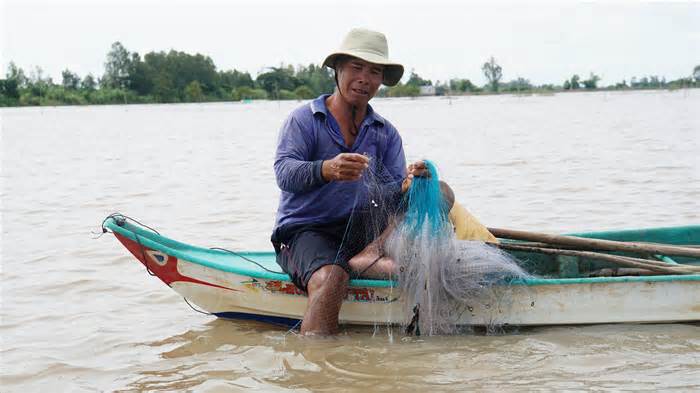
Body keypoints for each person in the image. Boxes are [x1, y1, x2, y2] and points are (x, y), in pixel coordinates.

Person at [272, 28, 458, 335]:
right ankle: (318, 367)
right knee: (332, 278)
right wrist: (326, 169)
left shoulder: (385, 132)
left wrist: (411, 182)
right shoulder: (304, 120)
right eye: (356, 68)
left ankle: (372, 252)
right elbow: (284, 174)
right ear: (338, 70)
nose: (364, 78)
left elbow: (391, 193)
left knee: (439, 191)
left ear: (381, 80)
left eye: (374, 71)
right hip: (307, 229)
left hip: (365, 229)